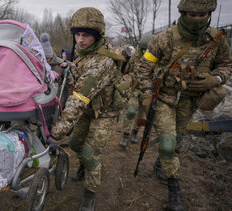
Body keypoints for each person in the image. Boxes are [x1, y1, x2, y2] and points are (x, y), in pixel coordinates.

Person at [136, 0, 232, 210]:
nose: (197, 20)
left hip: (189, 102)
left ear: (209, 13)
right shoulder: (163, 39)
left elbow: (226, 65)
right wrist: (145, 93)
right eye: (192, 15)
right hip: (163, 99)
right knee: (169, 144)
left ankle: (162, 163)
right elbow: (144, 67)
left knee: (175, 139)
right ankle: (175, 192)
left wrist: (215, 79)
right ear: (183, 13)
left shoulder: (216, 39)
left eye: (202, 15)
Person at [50, 7, 125, 211]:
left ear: (97, 36)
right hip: (88, 111)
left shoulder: (103, 62)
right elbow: (79, 78)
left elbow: (78, 99)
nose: (80, 40)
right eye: (77, 34)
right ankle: (83, 165)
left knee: (90, 154)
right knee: (75, 144)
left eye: (86, 35)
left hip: (104, 114)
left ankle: (90, 193)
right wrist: (69, 69)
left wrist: (56, 131)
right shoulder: (84, 55)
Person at [119, 34, 152, 148]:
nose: (145, 52)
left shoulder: (155, 58)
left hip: (146, 90)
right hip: (134, 89)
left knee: (142, 114)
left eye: (148, 50)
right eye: (144, 49)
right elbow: (125, 70)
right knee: (131, 111)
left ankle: (135, 133)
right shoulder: (134, 56)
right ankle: (125, 135)